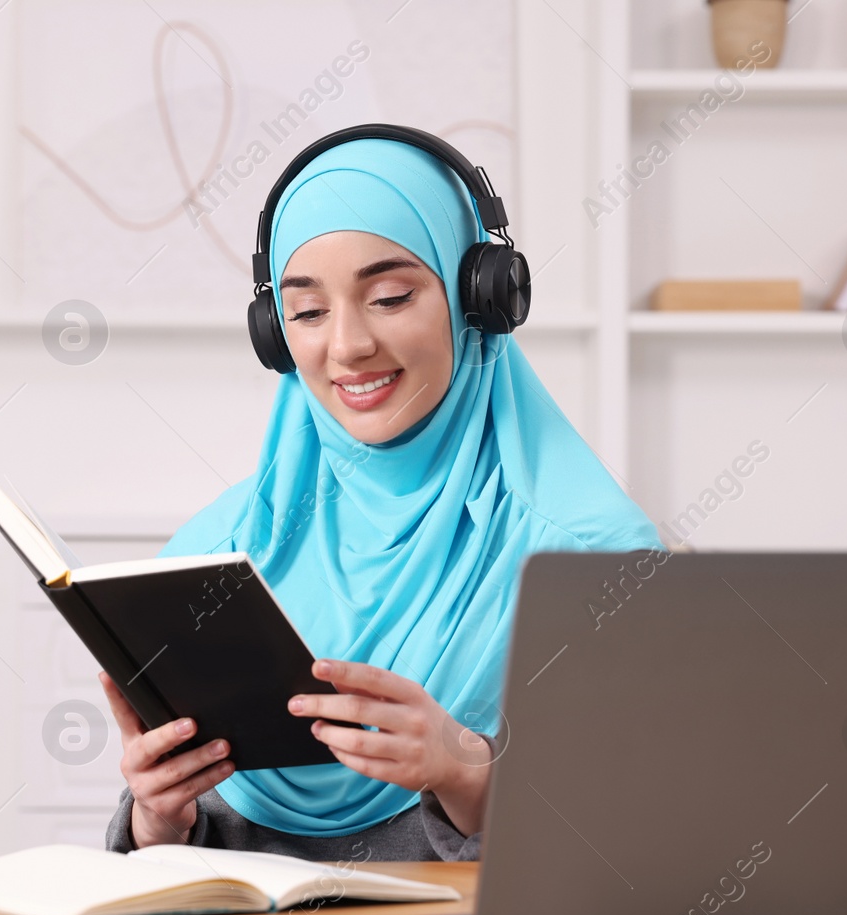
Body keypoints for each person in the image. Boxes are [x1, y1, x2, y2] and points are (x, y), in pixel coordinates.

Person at [100, 131, 661, 862]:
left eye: (391, 296)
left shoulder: (595, 559)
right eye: (305, 313)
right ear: (275, 335)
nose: (349, 344)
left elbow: (641, 858)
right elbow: (178, 867)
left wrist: (468, 771)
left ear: (479, 299)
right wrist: (157, 818)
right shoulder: (213, 555)